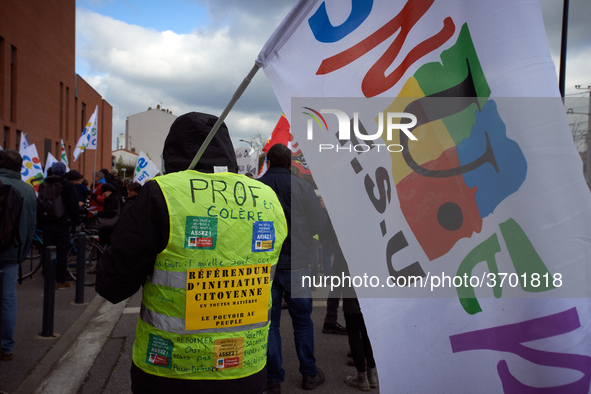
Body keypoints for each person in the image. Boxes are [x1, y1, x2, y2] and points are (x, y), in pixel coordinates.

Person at [96, 112, 288, 394]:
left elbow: (112, 284)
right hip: (246, 370)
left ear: (172, 150)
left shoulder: (161, 194)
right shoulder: (267, 197)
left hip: (171, 370)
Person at [258, 143, 328, 393]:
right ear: (289, 163)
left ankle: (273, 379)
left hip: (266, 266)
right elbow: (320, 224)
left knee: (270, 323)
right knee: (302, 321)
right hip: (297, 263)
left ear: (267, 162)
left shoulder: (257, 188)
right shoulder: (302, 187)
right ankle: (309, 374)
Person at [0, 149, 37, 361]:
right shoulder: (27, 190)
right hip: (12, 252)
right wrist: (22, 253)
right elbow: (32, 226)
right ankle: (6, 346)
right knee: (8, 299)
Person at [38, 162, 79, 289]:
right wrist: (75, 220)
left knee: (47, 250)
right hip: (62, 222)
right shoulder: (67, 185)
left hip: (46, 222)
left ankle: (47, 276)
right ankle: (60, 280)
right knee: (62, 252)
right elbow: (73, 205)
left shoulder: (43, 184)